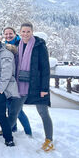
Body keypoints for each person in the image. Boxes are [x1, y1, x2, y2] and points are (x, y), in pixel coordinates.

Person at [13, 23, 54, 151]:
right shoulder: (17, 46)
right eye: (23, 31)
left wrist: (44, 89)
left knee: (43, 113)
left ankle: (49, 140)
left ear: (32, 32)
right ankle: (8, 134)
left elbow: (45, 68)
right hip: (21, 85)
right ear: (19, 32)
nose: (25, 34)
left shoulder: (39, 46)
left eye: (28, 31)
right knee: (14, 111)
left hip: (37, 86)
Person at [3, 27, 32, 136]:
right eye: (6, 34)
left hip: (20, 83)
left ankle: (28, 132)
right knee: (10, 108)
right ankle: (13, 128)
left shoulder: (21, 45)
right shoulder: (4, 46)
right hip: (9, 83)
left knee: (17, 111)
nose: (8, 36)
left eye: (10, 33)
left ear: (15, 34)